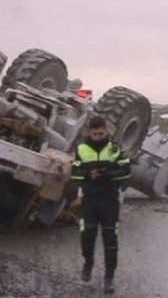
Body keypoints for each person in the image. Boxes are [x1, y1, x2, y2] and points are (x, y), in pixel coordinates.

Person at [71, 115, 131, 294]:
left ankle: (109, 278)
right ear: (90, 132)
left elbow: (126, 172)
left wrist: (108, 173)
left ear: (106, 131)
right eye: (95, 133)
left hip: (109, 199)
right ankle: (88, 262)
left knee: (111, 240)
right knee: (87, 236)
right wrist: (89, 175)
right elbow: (74, 173)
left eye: (101, 133)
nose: (98, 136)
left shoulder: (115, 148)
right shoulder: (81, 149)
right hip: (89, 199)